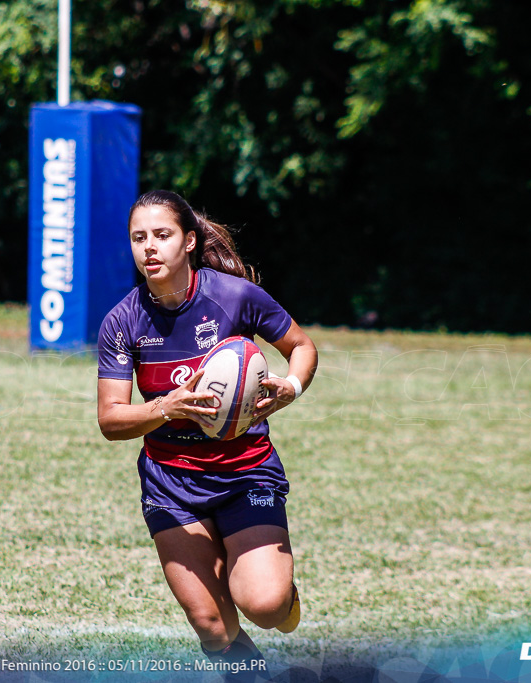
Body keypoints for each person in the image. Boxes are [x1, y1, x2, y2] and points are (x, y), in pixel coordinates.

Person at [96, 190, 318, 681]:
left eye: (161, 235)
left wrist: (291, 386)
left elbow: (301, 346)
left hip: (244, 473)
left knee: (264, 606)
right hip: (172, 484)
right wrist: (164, 407)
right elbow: (110, 420)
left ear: (190, 241)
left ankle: (282, 597)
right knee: (213, 628)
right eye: (138, 238)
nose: (148, 248)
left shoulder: (233, 296)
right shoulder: (123, 321)